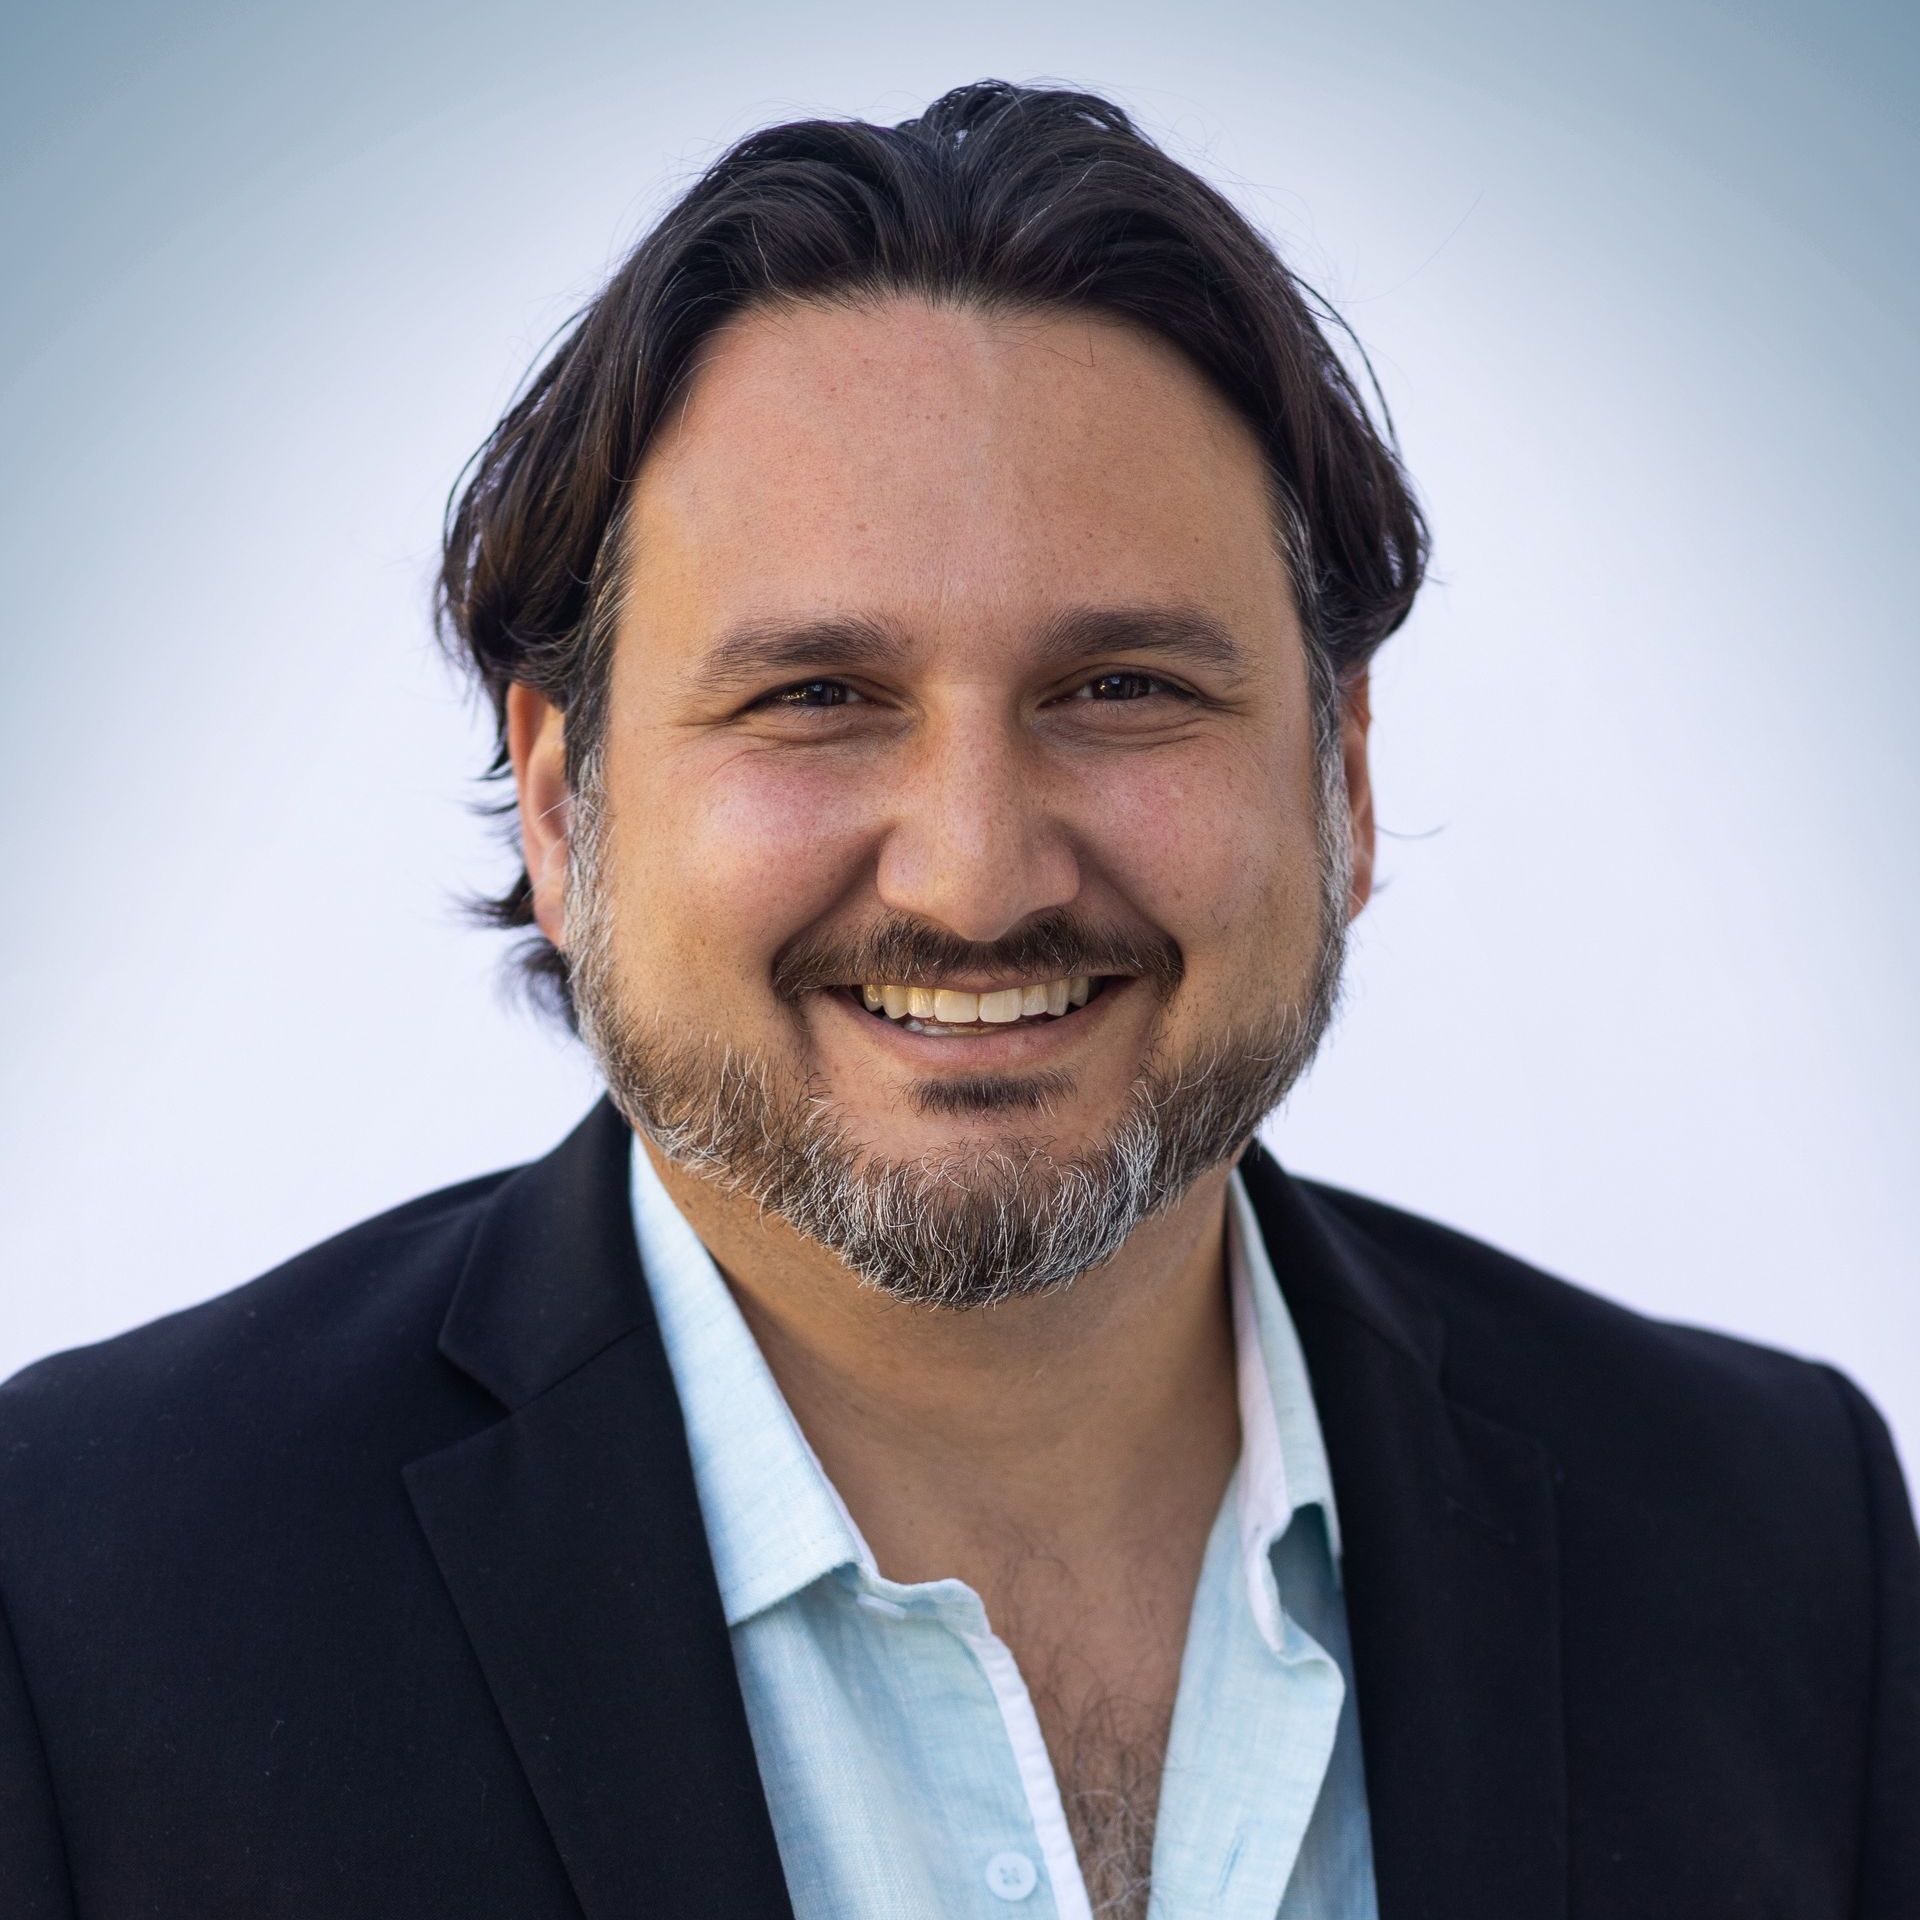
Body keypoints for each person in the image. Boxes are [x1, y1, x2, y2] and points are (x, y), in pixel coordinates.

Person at [2, 79, 1913, 1920]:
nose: (978, 874)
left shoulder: (1778, 1549)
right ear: (571, 800)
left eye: (1124, 690)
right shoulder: (85, 1597)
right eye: (819, 698)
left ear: (1340, 770)